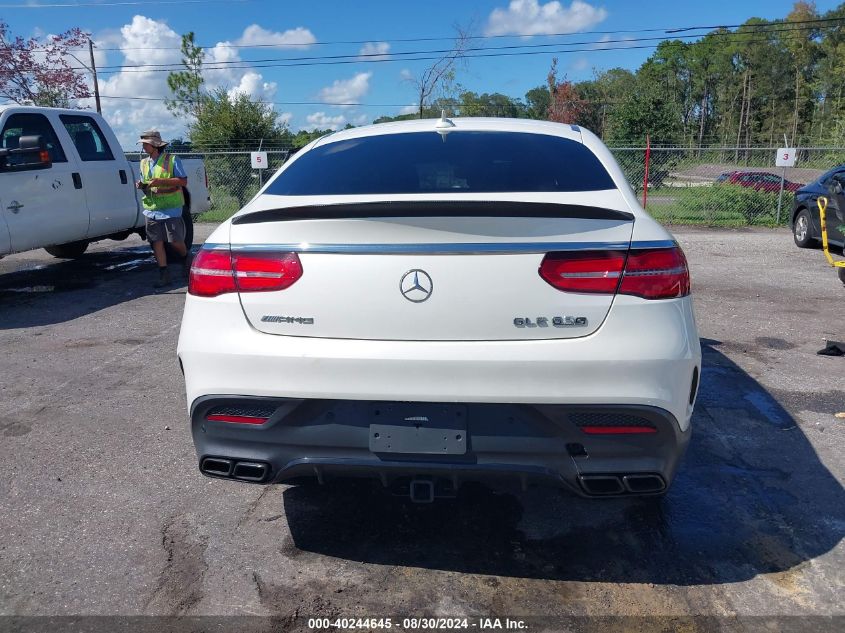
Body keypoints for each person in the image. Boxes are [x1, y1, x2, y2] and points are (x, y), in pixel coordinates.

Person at [136, 130, 191, 288]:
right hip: (151, 209)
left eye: (146, 144)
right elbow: (146, 181)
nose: (144, 147)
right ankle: (164, 274)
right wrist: (141, 185)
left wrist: (160, 181)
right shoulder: (144, 162)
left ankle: (186, 256)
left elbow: (183, 181)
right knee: (156, 242)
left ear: (155, 145)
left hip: (170, 208)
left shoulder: (172, 160)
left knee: (175, 241)